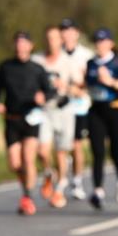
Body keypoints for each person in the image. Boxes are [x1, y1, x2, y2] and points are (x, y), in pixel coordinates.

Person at [0, 31, 51, 215]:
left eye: (24, 43)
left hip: (31, 118)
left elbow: (49, 90)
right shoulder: (5, 67)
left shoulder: (37, 68)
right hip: (11, 119)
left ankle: (28, 197)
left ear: (30, 46)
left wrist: (43, 97)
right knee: (14, 163)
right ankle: (33, 181)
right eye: (17, 43)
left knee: (28, 158)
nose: (20, 46)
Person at [84, 28, 118, 209]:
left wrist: (111, 82)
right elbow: (87, 86)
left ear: (110, 43)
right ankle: (98, 190)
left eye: (103, 41)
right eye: (97, 41)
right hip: (96, 110)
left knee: (114, 150)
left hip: (116, 110)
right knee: (97, 151)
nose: (99, 45)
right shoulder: (91, 63)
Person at [33, 25, 83, 207]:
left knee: (62, 151)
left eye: (54, 38)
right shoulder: (37, 60)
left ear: (60, 40)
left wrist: (66, 86)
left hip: (64, 109)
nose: (50, 42)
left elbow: (80, 89)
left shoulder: (68, 62)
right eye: (47, 38)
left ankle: (60, 190)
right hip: (45, 111)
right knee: (42, 150)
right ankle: (48, 172)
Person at [60, 19, 94, 200]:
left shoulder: (86, 55)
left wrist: (80, 88)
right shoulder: (56, 54)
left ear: (77, 33)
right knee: (62, 146)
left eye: (70, 30)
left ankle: (77, 181)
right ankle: (62, 178)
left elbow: (93, 79)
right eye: (63, 30)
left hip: (80, 106)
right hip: (61, 106)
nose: (66, 34)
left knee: (76, 145)